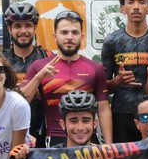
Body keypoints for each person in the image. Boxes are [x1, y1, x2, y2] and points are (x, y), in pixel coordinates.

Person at [23, 10, 113, 145]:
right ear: (55, 36)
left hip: (88, 138)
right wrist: (38, 78)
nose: (70, 37)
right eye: (64, 32)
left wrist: (109, 146)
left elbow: (103, 108)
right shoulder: (39, 66)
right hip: (54, 138)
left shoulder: (95, 68)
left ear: (82, 37)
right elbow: (21, 102)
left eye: (75, 32)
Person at [101, 0, 148, 141]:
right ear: (122, 8)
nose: (136, 7)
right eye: (131, 2)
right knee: (124, 156)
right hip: (121, 113)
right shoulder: (111, 41)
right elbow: (103, 90)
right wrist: (117, 81)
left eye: (142, 2)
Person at [2, 1, 50, 145]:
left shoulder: (47, 56)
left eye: (28, 25)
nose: (23, 31)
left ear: (35, 28)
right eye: (17, 26)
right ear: (9, 29)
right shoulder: (0, 60)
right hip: (9, 131)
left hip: (42, 132)